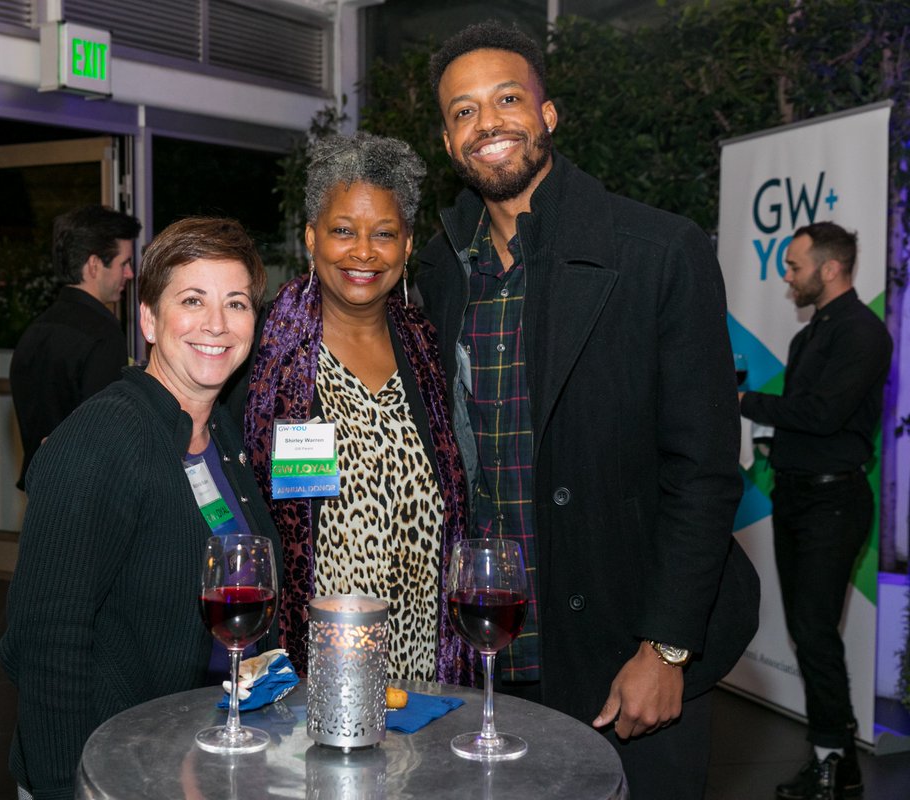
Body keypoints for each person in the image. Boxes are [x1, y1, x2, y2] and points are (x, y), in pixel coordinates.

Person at [416, 21, 759, 799]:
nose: (488, 123)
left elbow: (703, 471)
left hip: (625, 651)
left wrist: (667, 648)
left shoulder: (656, 251)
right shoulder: (437, 273)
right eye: (463, 111)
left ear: (548, 116)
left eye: (508, 98)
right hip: (490, 659)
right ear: (447, 142)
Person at [0, 217, 282, 800]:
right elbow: (44, 638)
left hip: (190, 757)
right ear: (150, 320)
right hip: (108, 770)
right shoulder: (103, 438)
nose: (216, 324)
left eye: (236, 303)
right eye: (192, 300)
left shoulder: (221, 434)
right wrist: (68, 787)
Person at [232, 132, 474, 685]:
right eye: (343, 231)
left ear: (408, 246)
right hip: (311, 670)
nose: (363, 252)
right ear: (312, 237)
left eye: (384, 234)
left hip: (420, 670)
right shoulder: (264, 349)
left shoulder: (427, 347)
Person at [740, 222, 891, 800]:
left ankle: (832, 761)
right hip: (797, 496)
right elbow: (809, 420)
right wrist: (767, 441)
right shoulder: (811, 336)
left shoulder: (862, 333)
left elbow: (823, 414)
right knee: (811, 634)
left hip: (834, 503)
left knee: (814, 632)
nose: (787, 276)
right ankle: (840, 761)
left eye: (795, 266)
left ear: (830, 269)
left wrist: (746, 403)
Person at [10, 205, 142, 488]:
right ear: (94, 265)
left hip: (41, 487)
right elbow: (107, 435)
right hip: (87, 492)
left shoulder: (35, 331)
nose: (130, 274)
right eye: (124, 263)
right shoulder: (103, 334)